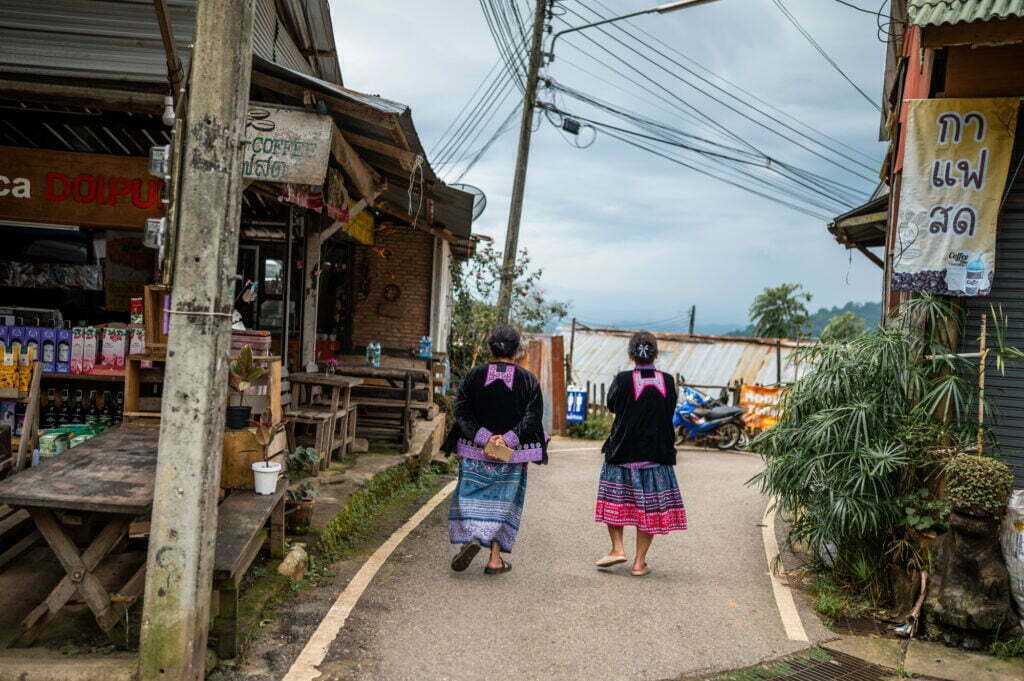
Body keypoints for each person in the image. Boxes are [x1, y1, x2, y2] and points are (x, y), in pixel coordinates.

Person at [442, 325, 547, 574]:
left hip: (474, 449)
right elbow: (533, 416)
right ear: (516, 350)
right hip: (510, 455)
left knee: (471, 495)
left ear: (490, 348)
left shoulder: (472, 376)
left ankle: (471, 538)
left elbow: (461, 411)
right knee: (504, 503)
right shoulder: (527, 380)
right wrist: (507, 440)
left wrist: (485, 438)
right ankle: (495, 560)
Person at [594, 331, 688, 576]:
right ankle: (639, 562)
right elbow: (669, 408)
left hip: (622, 452)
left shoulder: (622, 380)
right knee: (648, 509)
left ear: (630, 354)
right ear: (655, 354)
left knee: (615, 502)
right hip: (656, 456)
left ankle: (617, 549)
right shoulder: (667, 381)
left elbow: (612, 405)